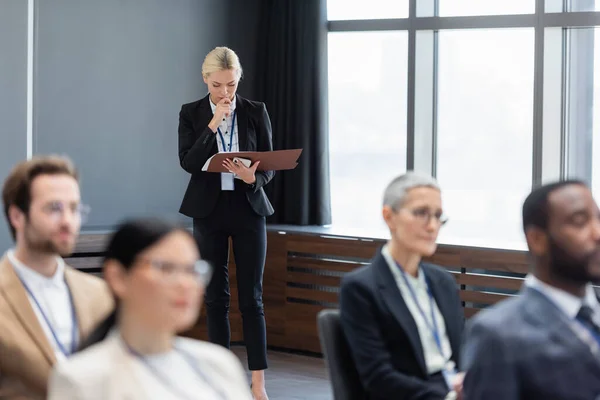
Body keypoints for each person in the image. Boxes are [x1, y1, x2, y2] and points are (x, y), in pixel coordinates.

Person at [48, 217, 252, 400]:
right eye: (166, 268)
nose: (185, 283)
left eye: (192, 270)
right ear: (117, 277)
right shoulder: (82, 379)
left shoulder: (219, 364)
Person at [177, 46, 273, 399]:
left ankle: (259, 384)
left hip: (248, 208)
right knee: (215, 298)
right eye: (218, 85)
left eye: (231, 85)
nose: (225, 93)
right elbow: (188, 162)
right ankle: (220, 382)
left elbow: (270, 164)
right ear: (205, 80)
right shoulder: (192, 113)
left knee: (253, 298)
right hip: (209, 210)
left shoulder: (255, 111)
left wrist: (254, 178)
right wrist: (214, 122)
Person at [461, 180, 600, 399]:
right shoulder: (499, 334)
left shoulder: (594, 314)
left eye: (598, 219)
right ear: (537, 239)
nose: (597, 233)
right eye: (580, 222)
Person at [340, 172, 465, 400]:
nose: (432, 226)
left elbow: (462, 354)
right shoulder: (360, 288)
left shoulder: (442, 281)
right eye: (421, 213)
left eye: (438, 216)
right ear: (389, 217)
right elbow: (379, 378)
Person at [0, 155, 113, 399]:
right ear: (17, 216)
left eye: (74, 209)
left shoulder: (100, 294)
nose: (67, 221)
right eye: (54, 208)